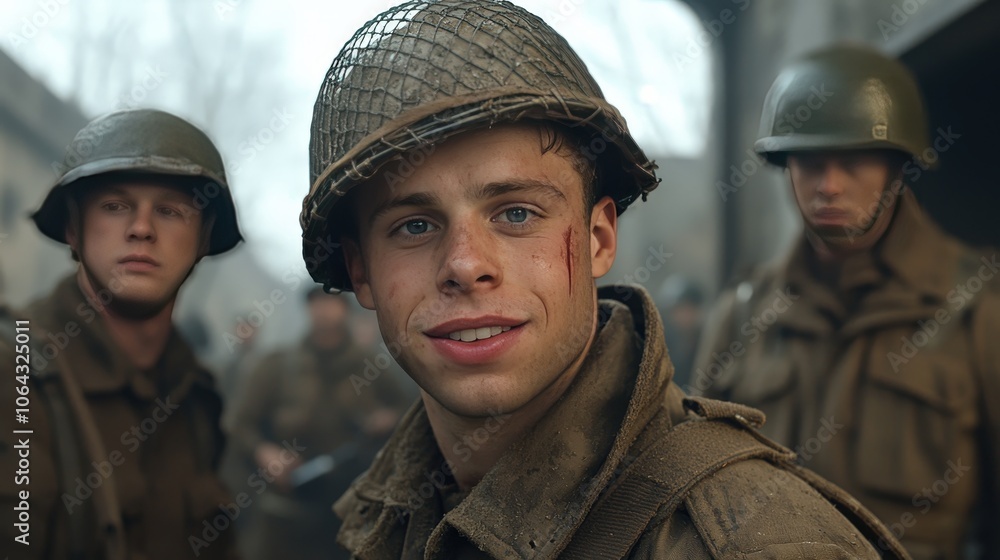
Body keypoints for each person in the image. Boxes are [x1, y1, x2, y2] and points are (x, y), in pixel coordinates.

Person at [298, 3, 908, 558]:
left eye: (517, 214)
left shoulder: (757, 543)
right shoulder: (381, 521)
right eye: (413, 226)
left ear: (599, 239)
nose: (464, 264)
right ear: (360, 271)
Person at [692, 44, 1000, 559]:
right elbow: (698, 491)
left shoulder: (978, 306)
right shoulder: (743, 313)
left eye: (854, 162)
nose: (829, 186)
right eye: (810, 163)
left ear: (897, 169)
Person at [0, 108, 243, 560]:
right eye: (114, 206)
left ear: (204, 239)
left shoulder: (196, 399)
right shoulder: (12, 371)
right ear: (73, 228)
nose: (142, 229)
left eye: (169, 210)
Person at [227, 287, 408, 560]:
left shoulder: (371, 365)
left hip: (350, 508)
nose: (323, 309)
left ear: (345, 308)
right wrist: (264, 452)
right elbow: (239, 423)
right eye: (316, 302)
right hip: (288, 509)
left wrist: (388, 418)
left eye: (331, 301)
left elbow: (409, 408)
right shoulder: (278, 365)